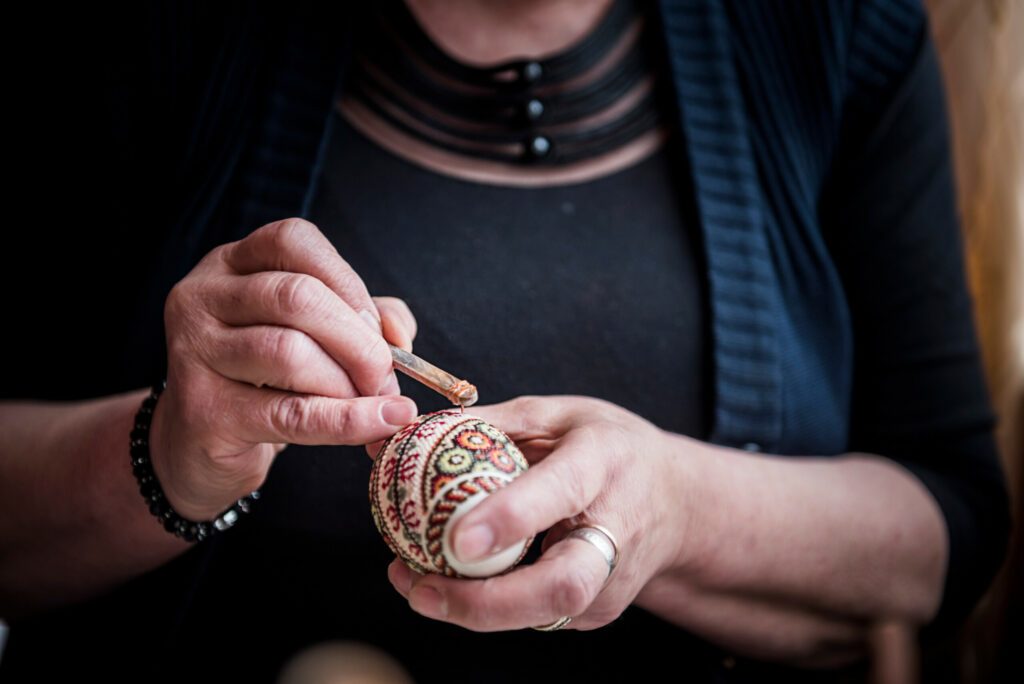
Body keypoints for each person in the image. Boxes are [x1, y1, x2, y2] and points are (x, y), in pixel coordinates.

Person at [0, 0, 1011, 681]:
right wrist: (176, 453)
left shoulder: (831, 30)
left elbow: (950, 530)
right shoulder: (147, 36)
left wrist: (680, 507)